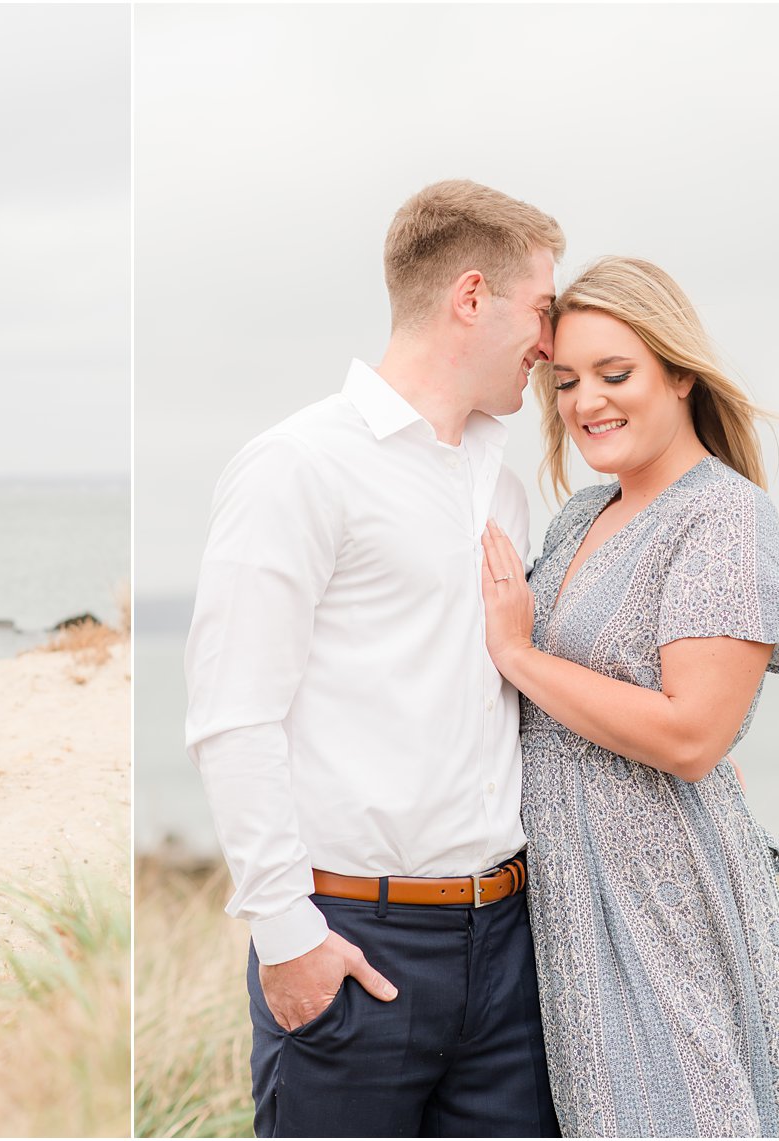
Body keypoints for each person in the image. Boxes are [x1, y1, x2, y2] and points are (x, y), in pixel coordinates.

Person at [185, 180, 563, 1137]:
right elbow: (233, 715)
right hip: (355, 944)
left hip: (509, 947)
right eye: (543, 309)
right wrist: (288, 937)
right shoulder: (300, 464)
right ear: (471, 297)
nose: (551, 343)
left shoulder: (504, 487)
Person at [479, 256, 779, 1137]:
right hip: (568, 900)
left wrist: (517, 654)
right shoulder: (577, 515)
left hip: (664, 902)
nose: (585, 401)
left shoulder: (724, 516)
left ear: (679, 373)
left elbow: (691, 737)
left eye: (615, 373)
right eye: (565, 381)